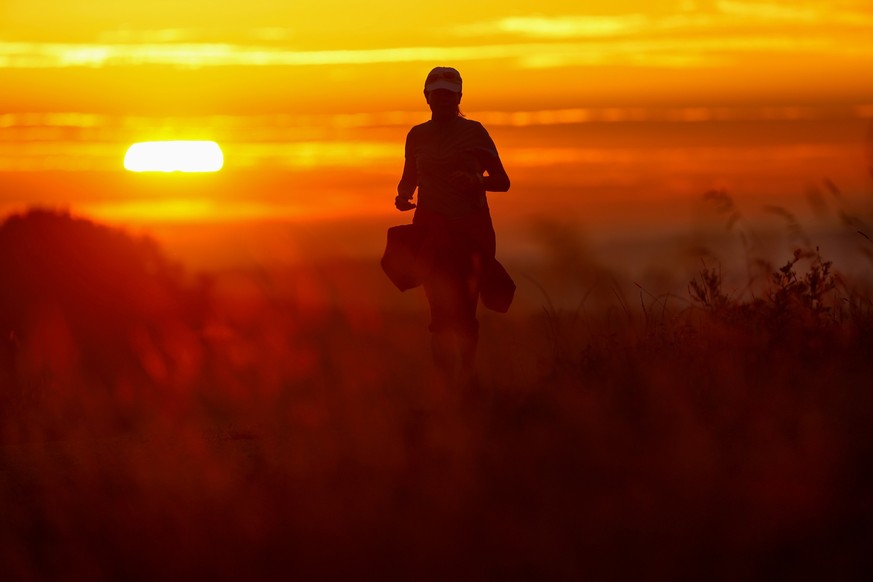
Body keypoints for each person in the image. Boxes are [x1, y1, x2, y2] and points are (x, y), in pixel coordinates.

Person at [394, 66, 510, 386]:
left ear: (459, 96)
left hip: (471, 231)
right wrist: (403, 197)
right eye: (437, 94)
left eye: (449, 94)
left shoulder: (475, 132)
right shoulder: (417, 136)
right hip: (431, 231)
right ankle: (444, 386)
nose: (443, 99)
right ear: (426, 98)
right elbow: (408, 180)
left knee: (465, 311)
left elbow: (502, 181)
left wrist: (475, 181)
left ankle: (468, 378)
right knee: (439, 314)